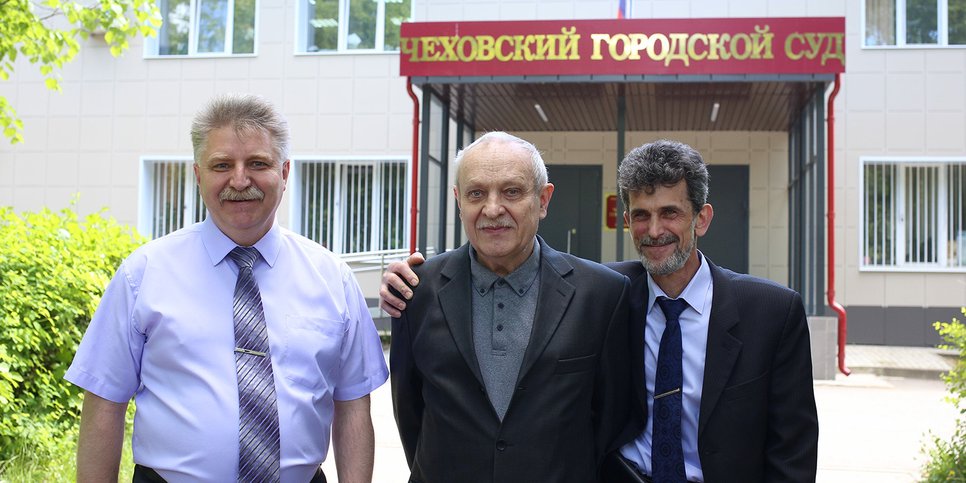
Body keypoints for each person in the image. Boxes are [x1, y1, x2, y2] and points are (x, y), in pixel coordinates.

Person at [381, 139, 819, 482]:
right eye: (640, 215)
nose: (654, 230)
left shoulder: (771, 312)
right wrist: (403, 277)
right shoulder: (608, 290)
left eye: (670, 213)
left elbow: (793, 451)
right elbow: (412, 416)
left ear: (701, 219)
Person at [66, 93, 388, 483]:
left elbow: (353, 404)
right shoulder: (144, 273)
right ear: (199, 175)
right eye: (222, 165)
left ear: (284, 173)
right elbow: (104, 400)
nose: (240, 180)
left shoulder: (332, 278)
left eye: (258, 163)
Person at [389, 132, 633, 482]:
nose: (492, 209)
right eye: (476, 193)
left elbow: (611, 419)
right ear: (459, 202)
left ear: (543, 200)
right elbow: (409, 412)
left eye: (511, 191)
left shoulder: (602, 294)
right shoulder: (415, 290)